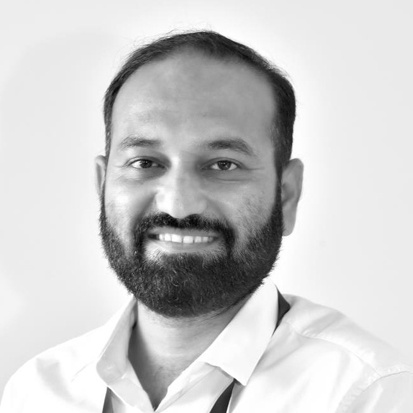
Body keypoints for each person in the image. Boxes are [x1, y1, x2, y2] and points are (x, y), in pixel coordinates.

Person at [1, 30, 412, 413]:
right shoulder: (36, 393)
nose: (179, 206)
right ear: (103, 184)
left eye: (223, 164)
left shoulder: (365, 392)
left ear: (286, 194)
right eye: (145, 162)